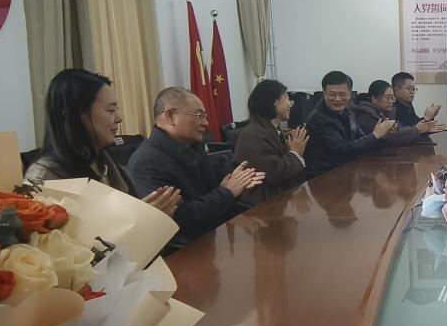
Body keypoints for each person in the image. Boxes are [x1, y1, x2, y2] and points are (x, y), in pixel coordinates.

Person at [27, 69, 180, 216]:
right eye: (110, 110)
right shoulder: (42, 180)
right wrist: (141, 220)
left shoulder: (106, 164)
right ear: (75, 115)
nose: (119, 118)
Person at [128, 87, 264, 245]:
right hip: (184, 251)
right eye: (199, 115)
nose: (206, 123)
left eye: (205, 116)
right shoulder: (147, 162)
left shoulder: (192, 146)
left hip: (214, 238)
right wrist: (227, 192)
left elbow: (211, 193)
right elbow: (182, 219)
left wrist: (235, 183)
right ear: (170, 116)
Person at [234, 79, 310, 206]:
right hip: (262, 206)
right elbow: (274, 173)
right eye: (286, 97)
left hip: (280, 200)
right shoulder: (254, 134)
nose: (291, 104)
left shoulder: (269, 129)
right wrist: (295, 153)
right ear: (273, 101)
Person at [306, 71, 397, 176]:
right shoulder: (319, 118)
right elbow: (343, 151)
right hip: (323, 176)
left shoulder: (348, 111)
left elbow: (361, 140)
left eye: (342, 94)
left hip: (346, 171)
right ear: (324, 93)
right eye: (332, 94)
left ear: (350, 94)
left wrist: (382, 135)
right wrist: (375, 135)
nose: (337, 99)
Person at [354, 80, 444, 146]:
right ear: (374, 98)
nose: (391, 101)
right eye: (388, 97)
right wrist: (419, 127)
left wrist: (425, 124)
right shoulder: (365, 115)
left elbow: (401, 131)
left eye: (393, 98)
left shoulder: (386, 112)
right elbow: (393, 138)